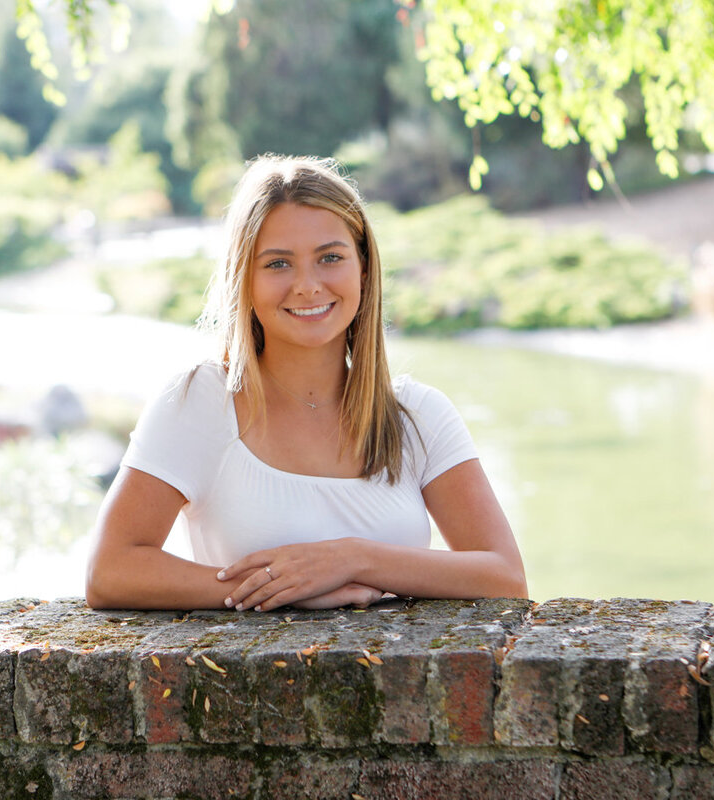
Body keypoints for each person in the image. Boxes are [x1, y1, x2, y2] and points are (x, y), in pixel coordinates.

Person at [86, 155, 527, 611]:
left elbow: (505, 576)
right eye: (278, 264)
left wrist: (352, 559)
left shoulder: (419, 415)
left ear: (363, 268)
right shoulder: (200, 402)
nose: (308, 286)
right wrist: (283, 588)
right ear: (244, 279)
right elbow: (110, 570)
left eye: (330, 258)